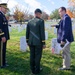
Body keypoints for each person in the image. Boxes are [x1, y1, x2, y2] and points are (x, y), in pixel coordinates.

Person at [26, 9, 46, 74]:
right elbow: (42, 33)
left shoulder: (29, 21)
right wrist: (43, 43)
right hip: (38, 42)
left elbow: (27, 32)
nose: (40, 16)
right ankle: (37, 70)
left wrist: (27, 41)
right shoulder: (41, 21)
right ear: (38, 14)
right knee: (37, 56)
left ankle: (32, 69)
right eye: (40, 14)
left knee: (32, 55)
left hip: (31, 42)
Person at [0, 3, 10, 68]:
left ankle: (3, 61)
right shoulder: (0, 15)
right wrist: (2, 36)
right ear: (0, 8)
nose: (6, 10)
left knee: (3, 49)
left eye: (6, 8)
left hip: (5, 36)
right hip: (2, 37)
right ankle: (1, 64)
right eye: (5, 8)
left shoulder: (3, 15)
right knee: (1, 50)